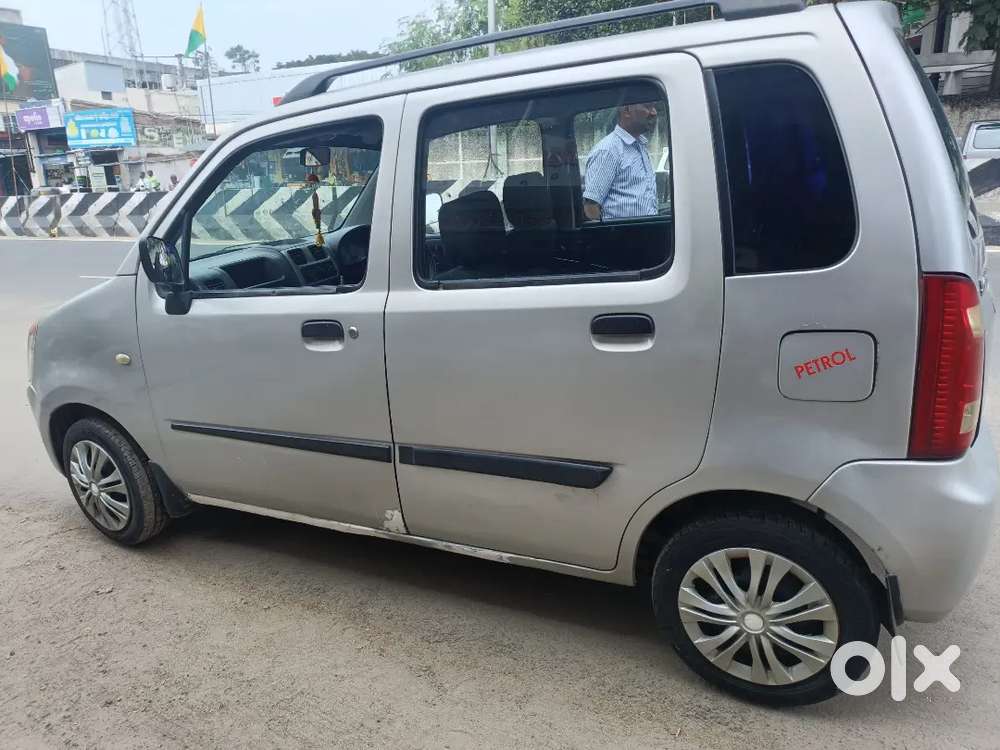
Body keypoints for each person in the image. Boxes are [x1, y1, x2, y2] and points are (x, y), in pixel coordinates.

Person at [582, 102, 659, 221]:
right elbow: (590, 208)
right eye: (647, 106)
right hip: (623, 237)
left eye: (654, 107)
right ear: (627, 110)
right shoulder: (608, 150)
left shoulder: (640, 146)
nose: (654, 112)